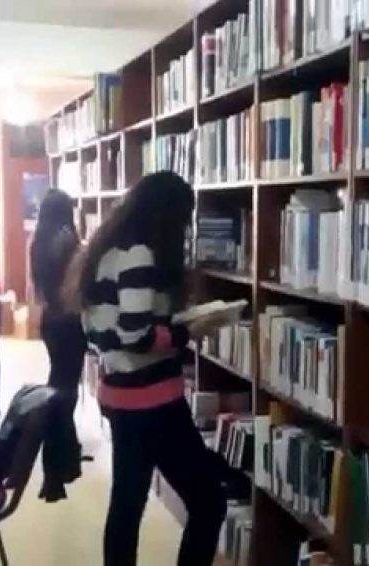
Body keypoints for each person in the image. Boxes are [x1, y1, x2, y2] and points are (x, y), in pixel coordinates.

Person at [64, 172, 227, 566]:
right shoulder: (139, 254)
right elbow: (135, 335)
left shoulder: (106, 250)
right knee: (208, 499)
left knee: (127, 504)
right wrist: (187, 331)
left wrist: (169, 326)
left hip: (119, 393)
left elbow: (101, 329)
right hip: (150, 401)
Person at [30, 189, 87, 500]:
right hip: (69, 324)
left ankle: (65, 460)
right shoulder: (68, 243)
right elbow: (77, 286)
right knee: (64, 394)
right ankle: (54, 471)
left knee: (60, 387)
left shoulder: (38, 242)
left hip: (50, 321)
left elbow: (40, 289)